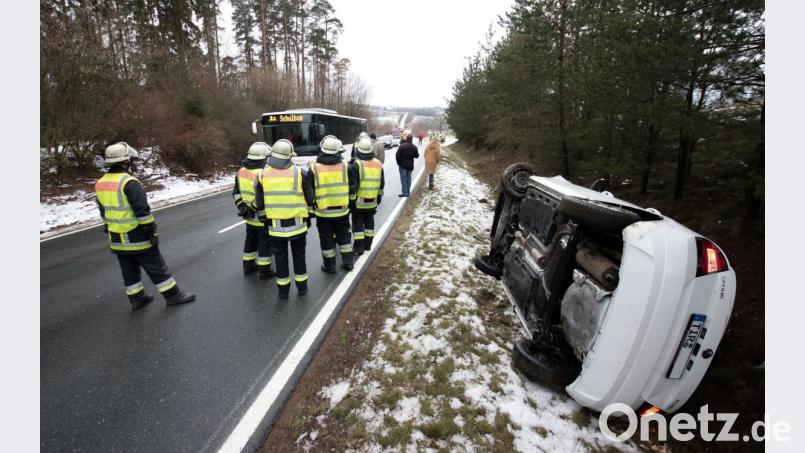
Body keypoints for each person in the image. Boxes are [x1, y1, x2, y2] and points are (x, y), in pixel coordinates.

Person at [95, 142, 195, 310]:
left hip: (116, 236)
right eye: (129, 160)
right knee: (156, 265)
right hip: (135, 234)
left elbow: (103, 211)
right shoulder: (129, 182)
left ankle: (137, 298)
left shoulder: (100, 183)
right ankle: (173, 295)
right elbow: (142, 211)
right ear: (124, 162)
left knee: (128, 269)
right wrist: (151, 232)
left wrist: (108, 228)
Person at [252, 139, 314, 299]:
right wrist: (308, 217)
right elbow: (310, 198)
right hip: (298, 226)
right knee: (299, 257)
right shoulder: (300, 172)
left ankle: (283, 291)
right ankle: (302, 288)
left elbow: (260, 203)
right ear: (289, 155)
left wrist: (265, 220)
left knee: (280, 259)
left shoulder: (262, 174)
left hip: (275, 227)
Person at [306, 135, 356, 273]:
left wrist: (311, 210)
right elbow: (352, 189)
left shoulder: (314, 168)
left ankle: (329, 266)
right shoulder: (347, 166)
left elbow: (310, 194)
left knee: (326, 239)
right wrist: (351, 204)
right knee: (344, 236)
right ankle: (348, 263)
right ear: (337, 150)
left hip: (323, 213)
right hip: (342, 211)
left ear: (322, 149)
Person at [233, 142, 275, 279]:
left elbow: (236, 193)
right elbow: (263, 195)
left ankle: (248, 266)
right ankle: (264, 270)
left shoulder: (241, 171)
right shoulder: (264, 173)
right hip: (262, 215)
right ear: (264, 157)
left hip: (248, 216)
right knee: (264, 242)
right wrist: (252, 208)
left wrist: (243, 208)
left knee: (250, 240)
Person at [350, 137, 384, 255]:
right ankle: (368, 245)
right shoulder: (378, 164)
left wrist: (352, 201)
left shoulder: (357, 164)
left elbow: (354, 185)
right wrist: (379, 197)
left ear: (358, 150)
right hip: (372, 201)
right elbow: (381, 183)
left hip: (359, 203)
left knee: (358, 225)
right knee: (370, 222)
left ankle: (359, 248)